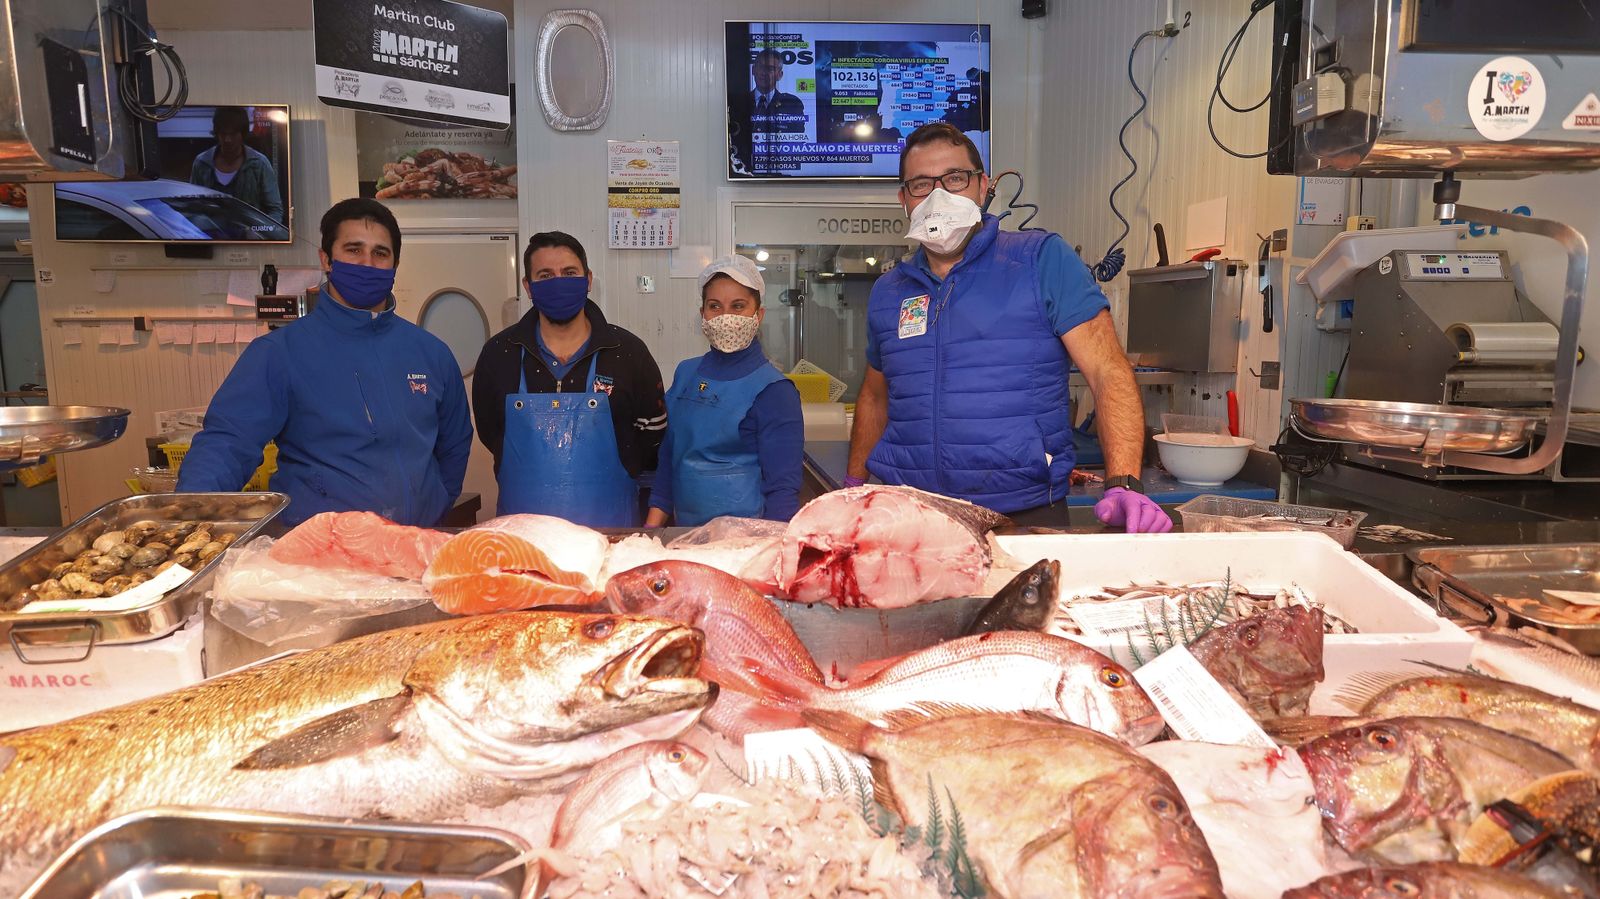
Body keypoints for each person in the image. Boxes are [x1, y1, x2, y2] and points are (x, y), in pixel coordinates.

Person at [846, 122, 1172, 533]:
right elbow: (875, 396)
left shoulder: (1040, 260)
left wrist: (1124, 482)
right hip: (910, 519)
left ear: (983, 187)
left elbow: (1107, 371)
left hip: (1021, 514)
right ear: (904, 200)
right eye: (921, 185)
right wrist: (853, 485)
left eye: (955, 179)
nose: (939, 196)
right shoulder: (888, 291)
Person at [176, 198, 472, 527]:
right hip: (319, 558)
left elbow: (455, 443)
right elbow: (228, 442)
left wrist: (436, 501)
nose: (367, 264)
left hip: (414, 547)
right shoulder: (279, 353)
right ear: (326, 259)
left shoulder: (431, 353)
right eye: (353, 249)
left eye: (380, 253)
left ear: (395, 263)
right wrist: (191, 516)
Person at [472, 231, 666, 526]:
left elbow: (653, 432)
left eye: (569, 273)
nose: (558, 282)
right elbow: (490, 430)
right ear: (528, 286)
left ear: (588, 280)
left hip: (610, 534)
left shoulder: (628, 353)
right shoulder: (499, 355)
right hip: (522, 540)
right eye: (545, 275)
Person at [645, 255, 803, 527]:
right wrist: (649, 530)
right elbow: (670, 460)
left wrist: (773, 553)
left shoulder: (775, 390)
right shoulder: (685, 374)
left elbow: (783, 489)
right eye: (715, 306)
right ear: (702, 314)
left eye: (738, 306)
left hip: (746, 544)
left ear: (758, 315)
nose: (725, 317)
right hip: (685, 534)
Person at [189, 106, 285, 224]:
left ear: (243, 133)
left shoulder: (259, 164)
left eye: (233, 134)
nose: (228, 140)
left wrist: (259, 232)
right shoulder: (201, 163)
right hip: (211, 236)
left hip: (250, 238)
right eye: (223, 134)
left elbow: (275, 210)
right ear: (217, 133)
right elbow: (192, 207)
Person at [730, 49, 807, 175]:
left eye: (770, 69)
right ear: (753, 70)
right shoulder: (736, 103)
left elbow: (796, 142)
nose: (763, 73)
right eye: (760, 67)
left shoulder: (792, 104)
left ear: (779, 75)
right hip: (743, 174)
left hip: (780, 175)